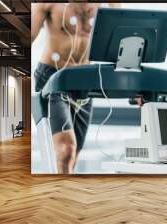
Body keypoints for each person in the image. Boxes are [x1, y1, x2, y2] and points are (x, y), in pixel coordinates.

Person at [31, 3, 119, 174]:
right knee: (66, 150)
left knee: (73, 156)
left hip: (83, 80)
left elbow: (123, 37)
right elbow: (25, 38)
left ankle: (63, 194)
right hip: (53, 76)